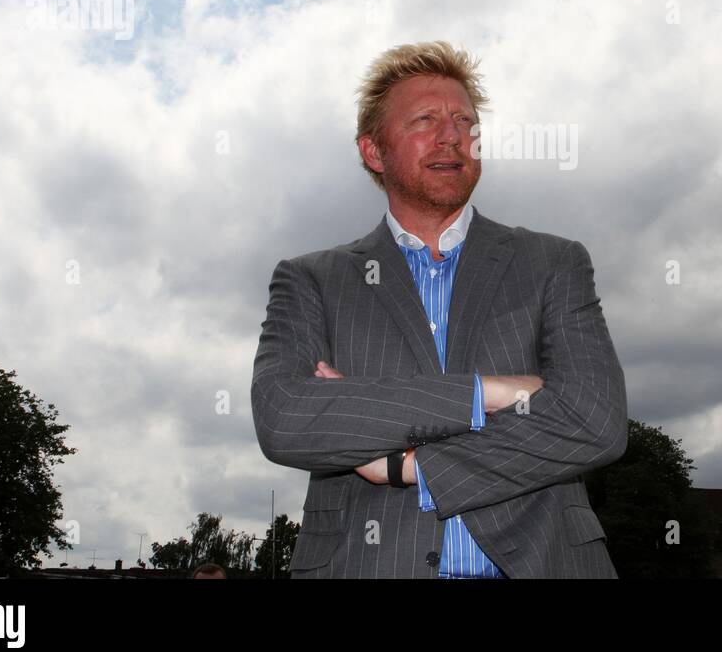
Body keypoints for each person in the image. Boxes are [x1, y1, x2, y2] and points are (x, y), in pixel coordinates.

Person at [250, 40, 627, 578]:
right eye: (425, 119)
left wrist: (412, 467)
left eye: (465, 122)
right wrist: (485, 393)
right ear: (373, 151)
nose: (452, 135)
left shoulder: (553, 262)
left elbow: (596, 419)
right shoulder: (310, 278)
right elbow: (286, 416)